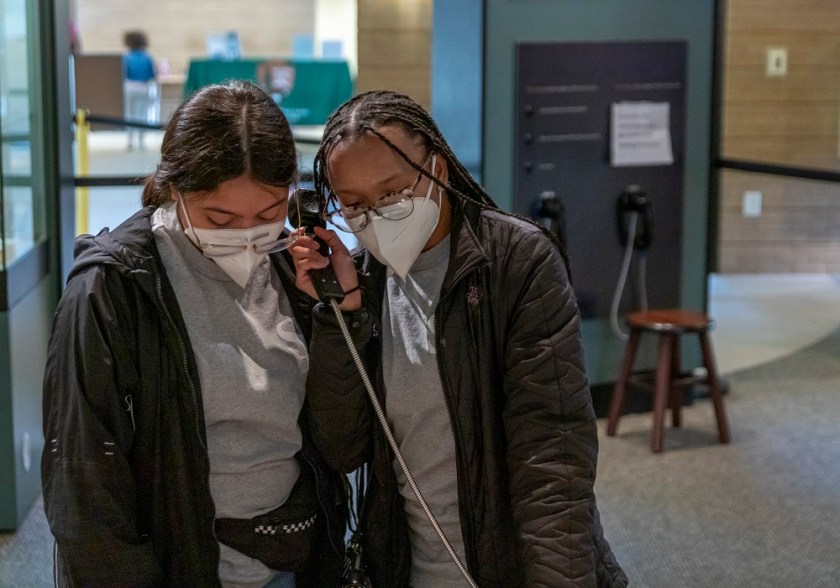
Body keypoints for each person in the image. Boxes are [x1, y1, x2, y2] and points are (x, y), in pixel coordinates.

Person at [290, 90, 629, 587]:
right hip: (408, 568)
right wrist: (341, 314)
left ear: (437, 171)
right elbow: (342, 449)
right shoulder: (364, 282)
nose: (376, 215)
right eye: (355, 204)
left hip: (513, 568)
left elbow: (553, 462)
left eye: (392, 193)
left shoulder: (516, 261)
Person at [42, 80, 346, 588]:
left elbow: (342, 437)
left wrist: (343, 314)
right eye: (220, 218)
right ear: (173, 191)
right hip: (177, 563)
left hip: (289, 557)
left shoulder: (299, 265)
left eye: (269, 214)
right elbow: (84, 483)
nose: (247, 234)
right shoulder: (112, 287)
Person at [123, 29, 157, 150]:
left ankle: (130, 141)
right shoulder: (147, 57)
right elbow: (152, 74)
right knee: (142, 115)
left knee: (129, 114)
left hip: (129, 87)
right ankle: (141, 141)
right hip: (143, 87)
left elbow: (123, 74)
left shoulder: (126, 57)